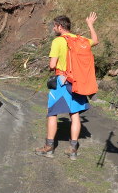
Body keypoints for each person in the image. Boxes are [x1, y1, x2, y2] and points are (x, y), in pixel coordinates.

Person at [35, 13, 99, 160]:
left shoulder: (58, 41)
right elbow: (95, 40)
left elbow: (52, 65)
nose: (53, 28)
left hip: (62, 82)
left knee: (52, 113)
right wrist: (90, 24)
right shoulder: (80, 40)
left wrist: (54, 64)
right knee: (74, 114)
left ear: (60, 27)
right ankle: (73, 150)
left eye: (54, 25)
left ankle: (49, 147)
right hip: (77, 82)